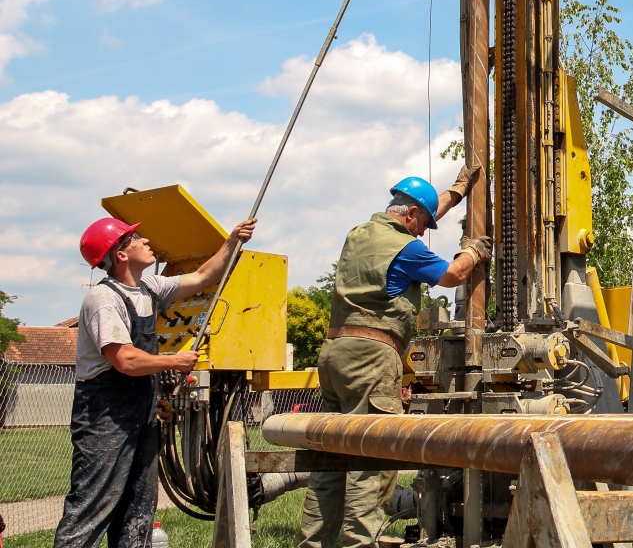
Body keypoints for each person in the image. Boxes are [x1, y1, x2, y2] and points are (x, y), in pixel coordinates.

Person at [297, 166, 490, 548]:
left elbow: (418, 215)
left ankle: (314, 542)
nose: (423, 232)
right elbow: (452, 274)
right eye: (423, 225)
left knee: (331, 458)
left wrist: (458, 189)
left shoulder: (359, 234)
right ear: (410, 216)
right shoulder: (407, 247)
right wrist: (474, 251)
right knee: (373, 456)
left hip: (334, 354)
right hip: (370, 358)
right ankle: (359, 544)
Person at [54, 215, 257, 548]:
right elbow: (124, 359)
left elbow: (204, 276)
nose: (146, 241)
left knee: (138, 510)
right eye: (135, 239)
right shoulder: (104, 301)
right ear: (120, 254)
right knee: (92, 507)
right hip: (104, 420)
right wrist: (173, 361)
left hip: (139, 415)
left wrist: (233, 240)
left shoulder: (148, 288)